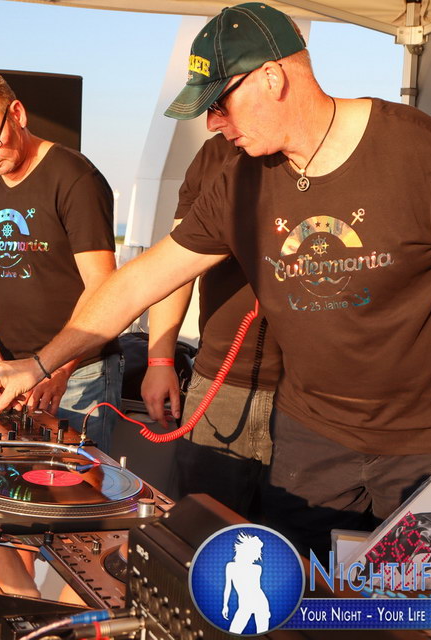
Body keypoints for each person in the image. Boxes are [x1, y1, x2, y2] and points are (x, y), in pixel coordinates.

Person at [0, 3, 431, 558]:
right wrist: (37, 365)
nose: (213, 123)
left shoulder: (418, 151)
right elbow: (138, 283)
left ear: (272, 77)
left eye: (219, 103)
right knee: (300, 591)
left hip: (422, 442)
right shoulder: (238, 180)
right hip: (312, 437)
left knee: (413, 594)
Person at [0, 68, 123, 453]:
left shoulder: (75, 178)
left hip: (77, 374)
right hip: (10, 371)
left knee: (80, 484)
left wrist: (58, 367)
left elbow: (103, 288)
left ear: (18, 115)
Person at [141, 134, 282, 518]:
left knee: (293, 539)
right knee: (197, 526)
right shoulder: (212, 155)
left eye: (219, 106)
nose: (211, 121)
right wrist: (159, 361)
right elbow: (175, 266)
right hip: (218, 382)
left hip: (304, 398)